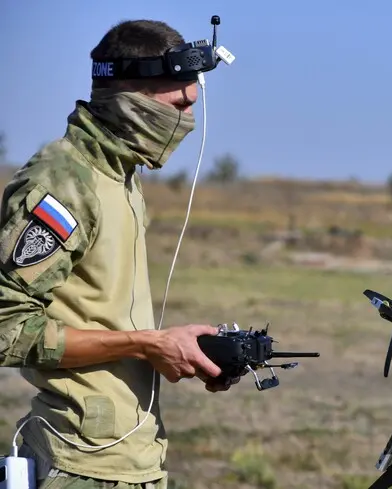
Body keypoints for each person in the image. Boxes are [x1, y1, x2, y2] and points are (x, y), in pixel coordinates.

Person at [0, 19, 235, 489]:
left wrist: (184, 351)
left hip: (132, 456)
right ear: (129, 94)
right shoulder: (64, 183)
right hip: (80, 465)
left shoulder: (120, 175)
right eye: (179, 104)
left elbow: (101, 314)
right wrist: (146, 344)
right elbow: (6, 328)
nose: (189, 120)